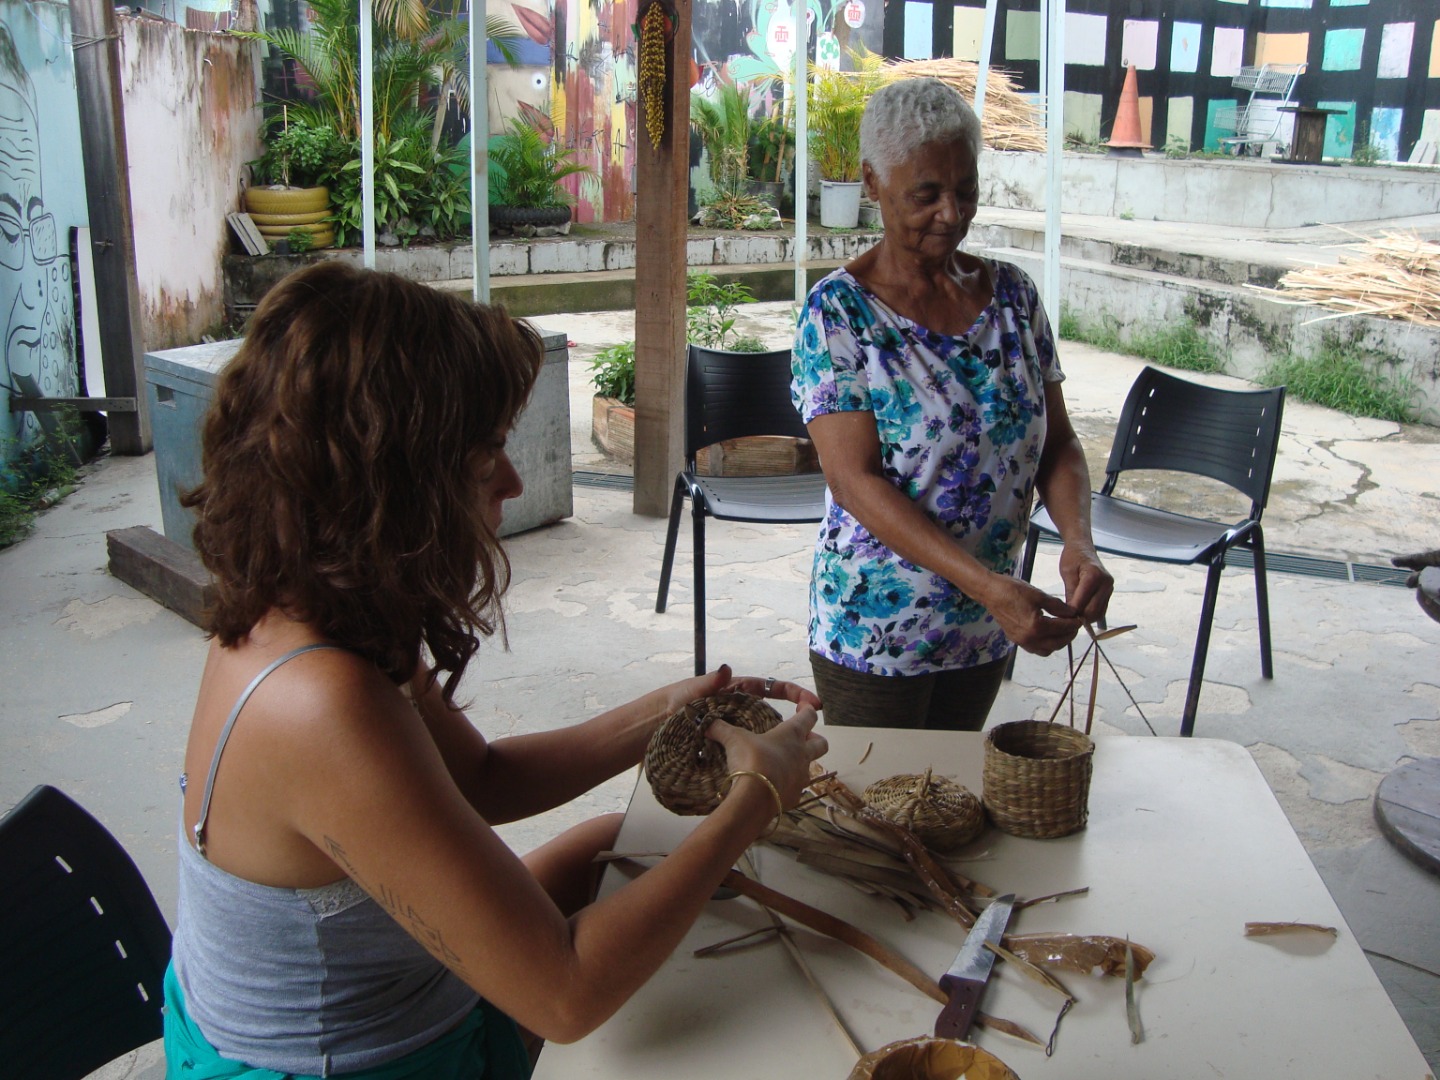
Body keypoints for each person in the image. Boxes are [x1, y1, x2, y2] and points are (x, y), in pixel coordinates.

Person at [166, 261, 827, 1079]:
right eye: (485, 459)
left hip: (401, 999)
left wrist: (674, 709)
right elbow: (565, 996)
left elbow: (482, 775)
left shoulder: (321, 607)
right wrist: (755, 799)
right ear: (393, 481)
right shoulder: (319, 703)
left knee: (609, 847)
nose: (514, 481)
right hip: (360, 1065)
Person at [791, 77, 1113, 730]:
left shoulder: (1014, 298)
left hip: (990, 624)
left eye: (965, 190)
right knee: (879, 817)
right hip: (879, 632)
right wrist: (990, 587)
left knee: (955, 806)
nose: (952, 213)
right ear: (873, 183)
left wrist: (1079, 540)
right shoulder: (839, 314)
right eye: (927, 194)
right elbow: (853, 482)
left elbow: (1057, 444)